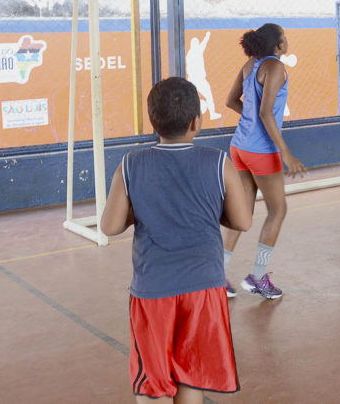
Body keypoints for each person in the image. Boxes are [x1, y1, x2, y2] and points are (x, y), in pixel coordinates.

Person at [101, 77, 253, 404]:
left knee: (151, 382)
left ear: (152, 122)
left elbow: (110, 226)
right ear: (196, 122)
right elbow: (242, 221)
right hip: (204, 287)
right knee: (191, 375)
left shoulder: (131, 164)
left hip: (154, 289)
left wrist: (137, 210)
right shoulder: (218, 162)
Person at [223, 23, 307, 299]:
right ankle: (257, 277)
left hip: (239, 146)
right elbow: (266, 112)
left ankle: (218, 275)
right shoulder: (275, 68)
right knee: (277, 210)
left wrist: (248, 119)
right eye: (286, 35)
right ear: (279, 45)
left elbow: (231, 101)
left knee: (243, 209)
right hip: (261, 150)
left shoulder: (250, 65)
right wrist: (287, 154)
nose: (287, 39)